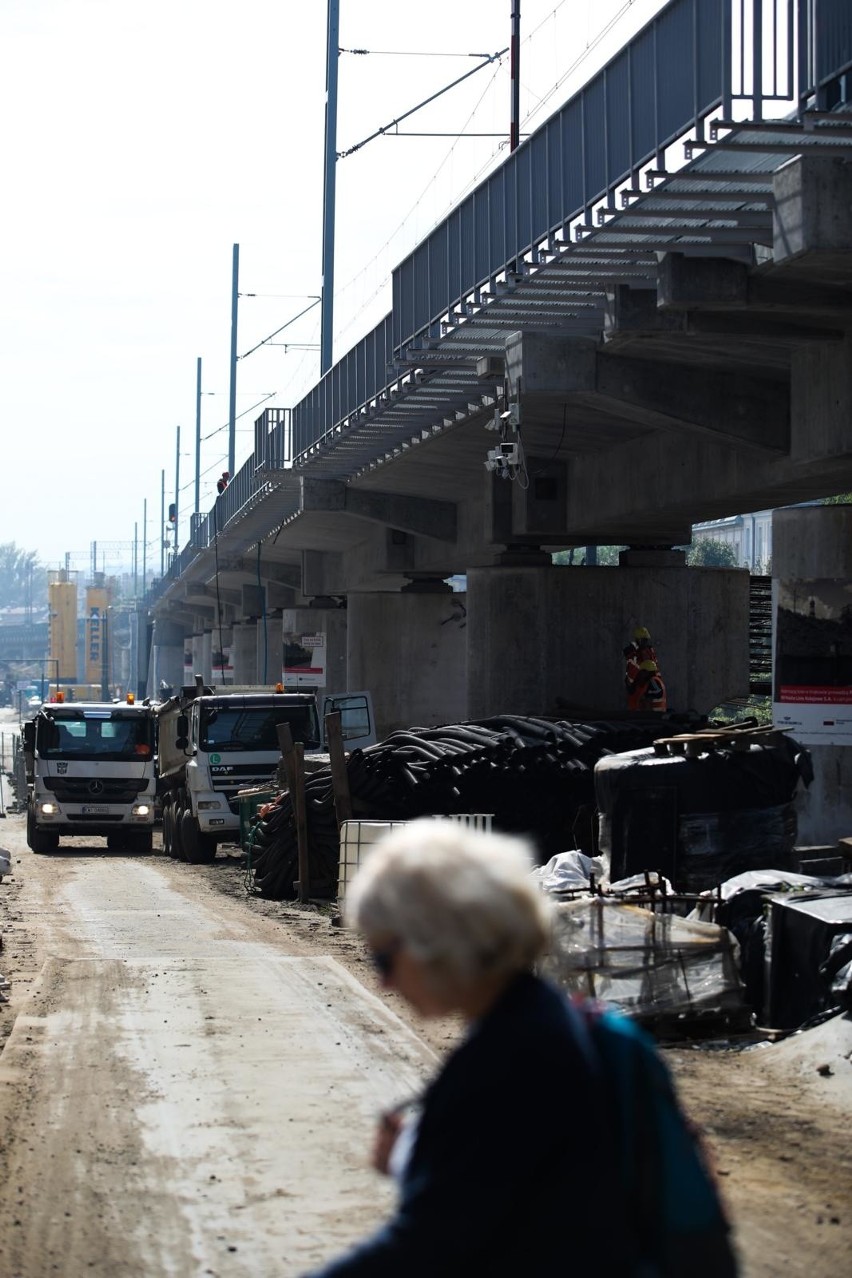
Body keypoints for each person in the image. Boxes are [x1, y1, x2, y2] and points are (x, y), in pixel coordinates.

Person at [305, 821, 654, 1277]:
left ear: (439, 941)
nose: (382, 981)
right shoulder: (544, 1015)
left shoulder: (507, 1060)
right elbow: (502, 1176)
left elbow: (428, 1243)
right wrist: (421, 1154)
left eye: (383, 958)